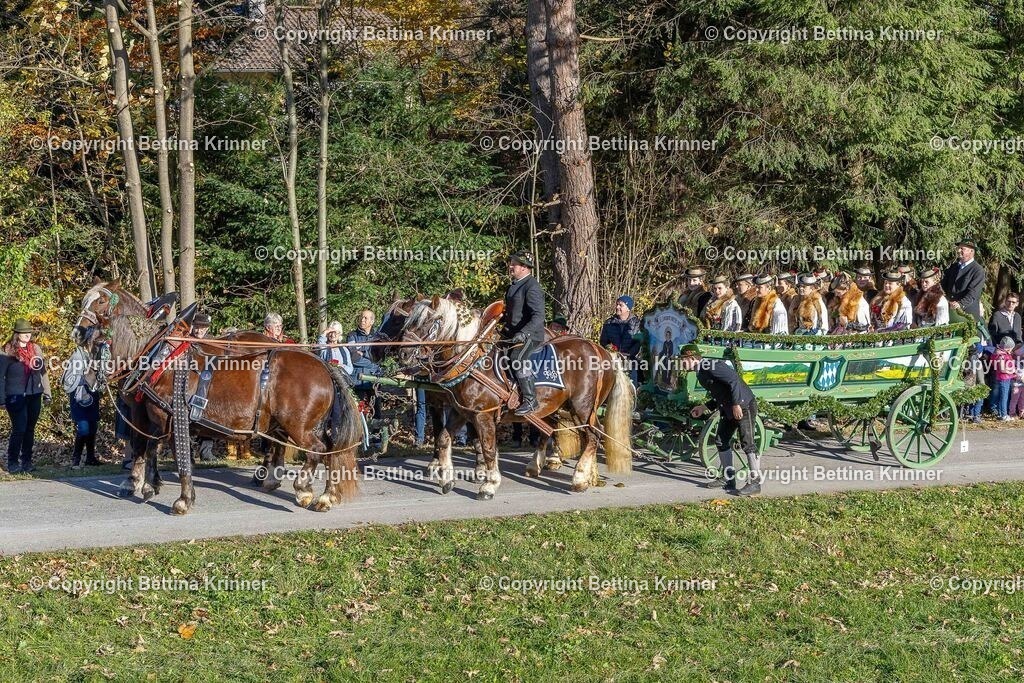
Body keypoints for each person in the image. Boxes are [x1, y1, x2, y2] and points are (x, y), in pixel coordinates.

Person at [679, 344, 761, 497]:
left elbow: (734, 380)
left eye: (682, 360)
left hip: (743, 405)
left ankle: (755, 483)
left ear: (691, 358)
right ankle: (729, 479)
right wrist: (703, 407)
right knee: (721, 440)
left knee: (747, 443)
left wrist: (737, 404)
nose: (681, 364)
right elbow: (720, 393)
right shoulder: (701, 372)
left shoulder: (710, 365)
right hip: (728, 407)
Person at [0, 319, 51, 474]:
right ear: (17, 334)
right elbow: (0, 377)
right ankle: (12, 462)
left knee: (30, 428)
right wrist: (1, 399)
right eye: (24, 332)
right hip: (15, 395)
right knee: (19, 428)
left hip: (34, 394)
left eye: (29, 332)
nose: (27, 334)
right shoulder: (7, 351)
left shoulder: (36, 349)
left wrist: (47, 393)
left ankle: (27, 461)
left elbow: (43, 372)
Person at [500, 250, 546, 415]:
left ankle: (530, 400)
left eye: (514, 264)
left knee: (517, 358)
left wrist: (524, 333)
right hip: (512, 334)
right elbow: (510, 313)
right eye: (511, 263)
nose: (510, 266)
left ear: (525, 267)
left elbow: (539, 316)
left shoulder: (532, 286)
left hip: (531, 336)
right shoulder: (513, 286)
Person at [63, 331, 103, 469]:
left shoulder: (95, 356)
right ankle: (76, 458)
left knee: (92, 427)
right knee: (84, 429)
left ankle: (90, 458)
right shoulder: (76, 357)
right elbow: (67, 380)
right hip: (79, 396)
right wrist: (83, 378)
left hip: (92, 395)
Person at [599, 295, 642, 383]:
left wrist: (628, 354)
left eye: (620, 305)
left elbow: (639, 343)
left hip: (631, 362)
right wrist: (612, 351)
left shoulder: (637, 324)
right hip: (612, 362)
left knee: (631, 387)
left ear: (628, 308)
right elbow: (603, 341)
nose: (617, 307)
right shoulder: (609, 323)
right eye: (617, 304)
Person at [942, 239, 986, 321]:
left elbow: (973, 293)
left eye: (962, 249)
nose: (958, 250)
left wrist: (960, 304)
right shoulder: (953, 267)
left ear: (971, 251)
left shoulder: (978, 270)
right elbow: (944, 286)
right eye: (958, 248)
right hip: (950, 312)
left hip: (967, 314)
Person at [990, 336, 1018, 421]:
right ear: (1006, 348)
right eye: (1010, 348)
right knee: (1004, 397)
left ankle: (1001, 413)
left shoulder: (1001, 353)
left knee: (1002, 396)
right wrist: (1012, 371)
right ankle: (1004, 415)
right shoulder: (1001, 355)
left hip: (1004, 378)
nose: (1011, 350)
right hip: (1004, 378)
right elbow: (1002, 369)